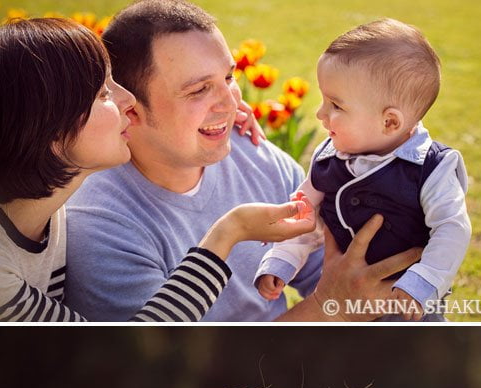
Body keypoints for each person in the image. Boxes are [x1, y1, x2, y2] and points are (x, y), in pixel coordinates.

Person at [60, 0, 416, 323]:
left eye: (229, 78)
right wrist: (328, 306)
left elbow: (343, 278)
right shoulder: (102, 225)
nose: (231, 104)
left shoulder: (254, 154)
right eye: (199, 90)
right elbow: (186, 375)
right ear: (130, 110)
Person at [0, 15, 317, 323]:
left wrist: (213, 109)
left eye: (229, 78)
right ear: (50, 130)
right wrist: (229, 233)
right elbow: (125, 354)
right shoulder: (81, 224)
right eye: (104, 94)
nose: (128, 101)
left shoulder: (52, 213)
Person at [255, 19, 471, 322]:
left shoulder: (431, 168)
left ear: (390, 122)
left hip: (405, 305)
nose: (320, 114)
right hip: (344, 302)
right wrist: (282, 259)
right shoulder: (329, 157)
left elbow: (452, 228)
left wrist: (421, 283)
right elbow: (302, 214)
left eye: (336, 105)